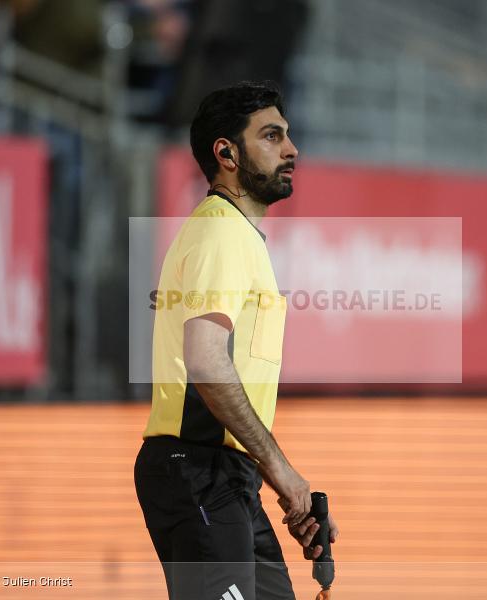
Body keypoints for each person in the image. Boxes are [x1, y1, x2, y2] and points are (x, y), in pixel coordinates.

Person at [134, 80, 338, 600]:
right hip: (196, 469)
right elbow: (205, 363)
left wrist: (278, 482)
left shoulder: (235, 236)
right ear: (226, 153)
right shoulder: (221, 232)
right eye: (271, 136)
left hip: (223, 474)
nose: (291, 150)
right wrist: (283, 473)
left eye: (287, 136)